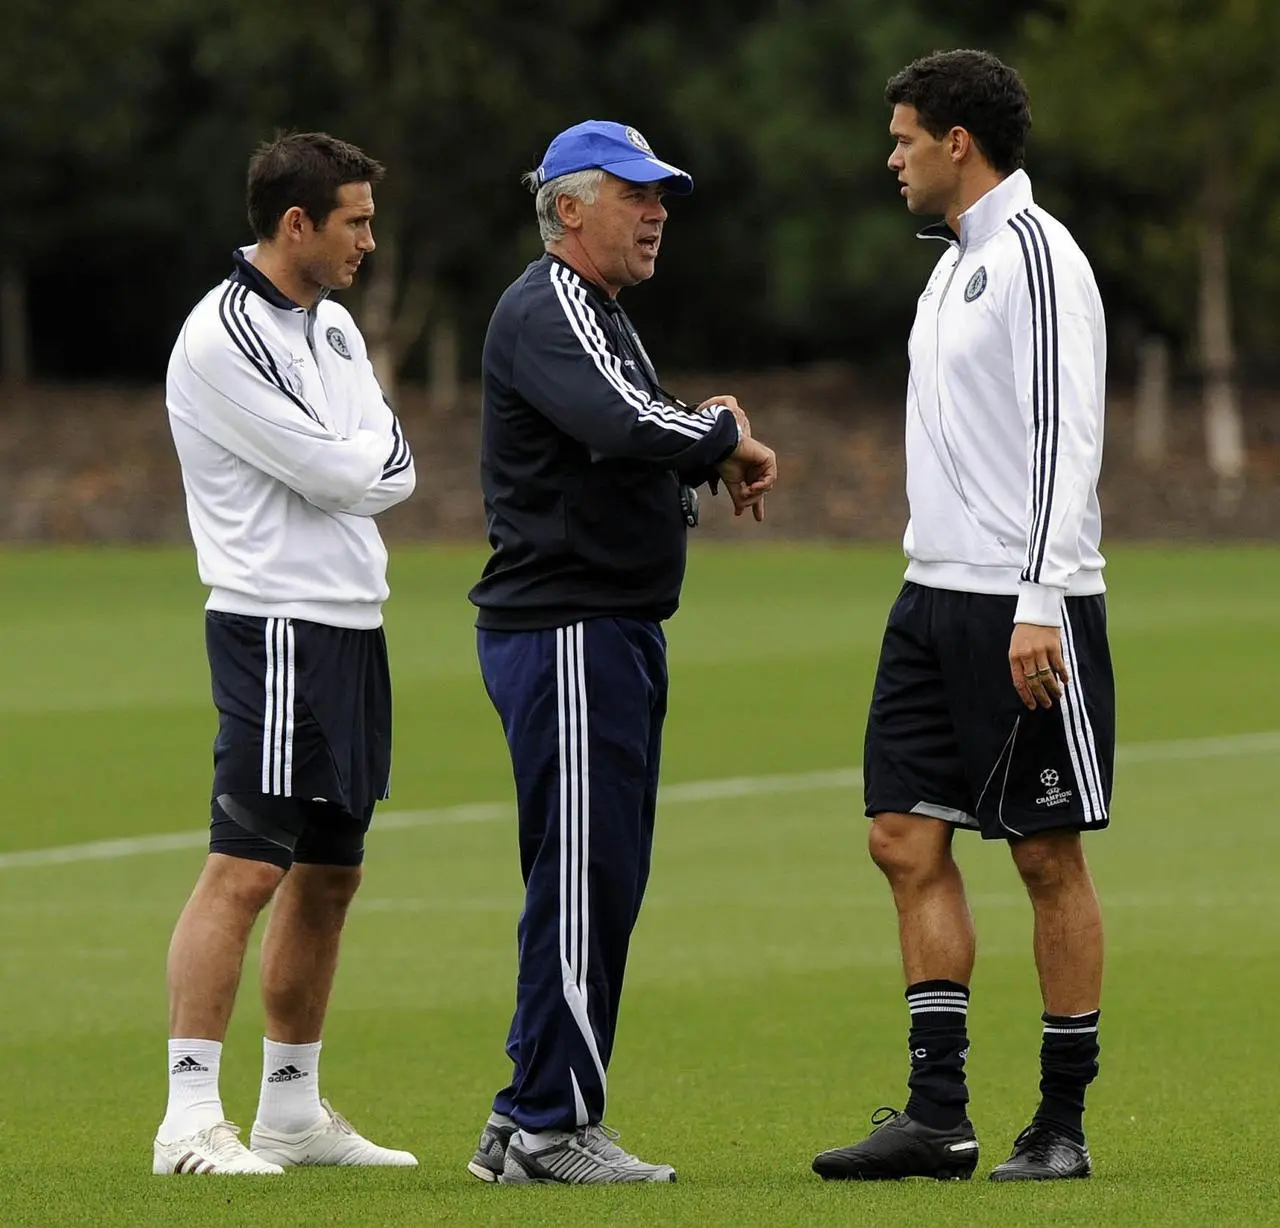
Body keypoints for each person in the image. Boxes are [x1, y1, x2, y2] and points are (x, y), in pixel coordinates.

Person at [812, 50, 1113, 1183]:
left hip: (1022, 605)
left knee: (1041, 854)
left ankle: (1059, 1123)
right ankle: (936, 1115)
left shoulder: (1035, 258)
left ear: (954, 141)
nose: (887, 157)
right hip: (929, 593)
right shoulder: (949, 267)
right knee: (901, 836)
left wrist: (1038, 600)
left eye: (900, 138)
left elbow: (1062, 434)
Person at [465, 120, 778, 1186]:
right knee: (584, 878)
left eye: (661, 197)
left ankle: (523, 1119)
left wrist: (708, 425)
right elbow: (620, 419)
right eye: (635, 195)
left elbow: (637, 417)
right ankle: (551, 1126)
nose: (655, 214)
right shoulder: (552, 303)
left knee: (588, 875)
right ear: (568, 209)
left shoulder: (593, 310)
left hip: (603, 626)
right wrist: (721, 431)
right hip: (567, 626)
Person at [156, 132, 418, 1176]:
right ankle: (186, 1119)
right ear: (295, 224)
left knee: (328, 875)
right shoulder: (222, 336)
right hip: (274, 623)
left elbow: (387, 461)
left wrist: (357, 458)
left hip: (353, 623)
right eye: (353, 219)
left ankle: (291, 1110)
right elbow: (336, 469)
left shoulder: (338, 328)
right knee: (245, 868)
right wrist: (356, 459)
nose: (368, 238)